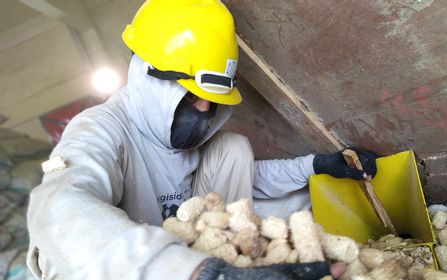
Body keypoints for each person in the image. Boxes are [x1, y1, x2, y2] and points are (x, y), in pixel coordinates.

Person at [26, 0, 377, 279]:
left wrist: (314, 165)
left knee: (234, 150)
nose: (203, 111)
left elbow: (249, 178)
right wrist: (196, 273)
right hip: (125, 267)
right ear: (149, 78)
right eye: (191, 97)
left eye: (211, 102)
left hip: (193, 244)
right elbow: (58, 207)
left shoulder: (188, 140)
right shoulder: (100, 130)